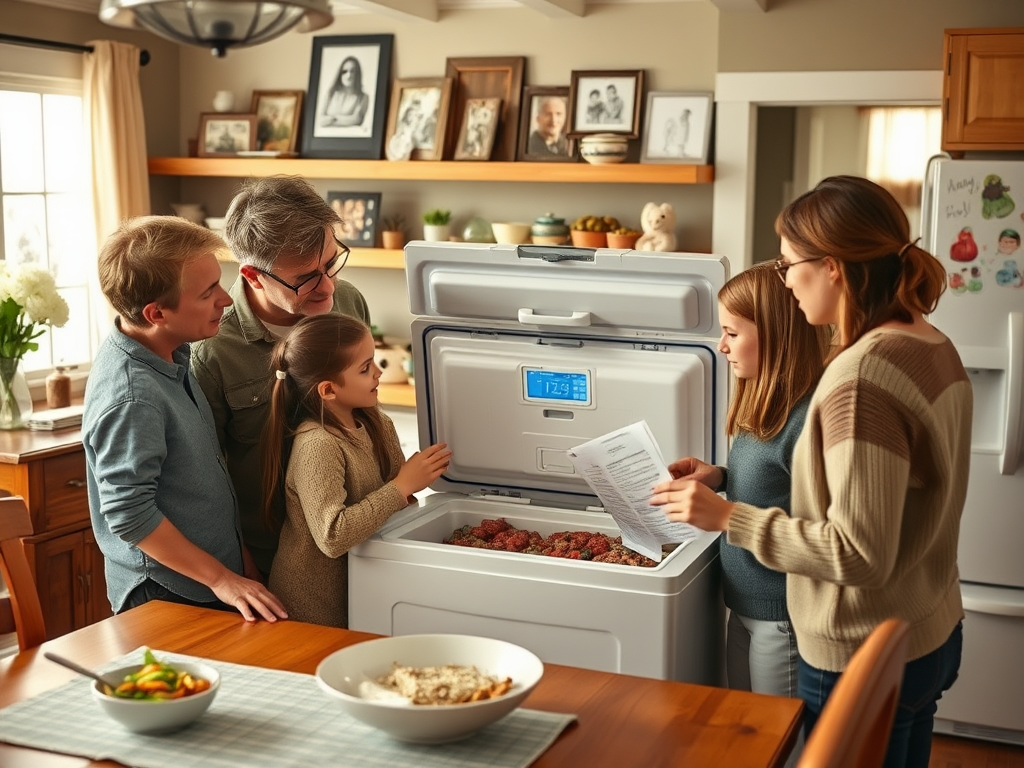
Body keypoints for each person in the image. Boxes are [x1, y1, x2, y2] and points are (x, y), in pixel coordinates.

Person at [651, 175, 972, 768]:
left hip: (861, 646)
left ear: (833, 269)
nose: (785, 278)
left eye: (788, 263)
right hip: (927, 628)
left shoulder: (861, 379)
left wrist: (729, 517)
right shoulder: (931, 343)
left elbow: (857, 553)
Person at [83, 216, 288, 623]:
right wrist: (222, 580)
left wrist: (239, 563)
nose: (226, 301)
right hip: (166, 594)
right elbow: (129, 514)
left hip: (210, 580)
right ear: (156, 312)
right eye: (208, 292)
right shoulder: (133, 396)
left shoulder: (172, 354)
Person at [190, 175, 372, 578]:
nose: (328, 288)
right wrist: (246, 572)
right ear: (253, 276)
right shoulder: (212, 350)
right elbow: (208, 484)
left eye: (331, 263)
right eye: (306, 277)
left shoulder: (350, 302)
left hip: (363, 541)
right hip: (269, 560)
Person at [668, 264, 830, 702]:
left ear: (776, 335)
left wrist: (722, 514)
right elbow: (775, 485)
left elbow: (817, 527)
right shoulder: (765, 401)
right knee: (747, 729)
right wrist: (720, 477)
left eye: (732, 333)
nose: (721, 346)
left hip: (783, 616)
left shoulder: (809, 419)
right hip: (743, 603)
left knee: (782, 743)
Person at [263, 314, 452, 627]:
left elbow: (396, 500)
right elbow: (333, 536)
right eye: (365, 368)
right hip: (312, 613)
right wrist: (403, 485)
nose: (378, 373)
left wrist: (412, 483)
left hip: (364, 590)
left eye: (374, 362)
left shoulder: (378, 423)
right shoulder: (317, 444)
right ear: (328, 390)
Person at [319, 55, 369, 129]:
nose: (349, 75)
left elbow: (357, 120)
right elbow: (320, 120)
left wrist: (332, 119)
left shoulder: (363, 97)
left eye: (352, 71)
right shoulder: (330, 93)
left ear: (357, 74)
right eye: (344, 71)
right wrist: (346, 119)